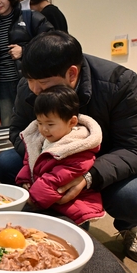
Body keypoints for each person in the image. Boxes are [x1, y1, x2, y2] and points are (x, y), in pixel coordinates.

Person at [0, 31, 137, 263]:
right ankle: (56, 216)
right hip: (51, 157)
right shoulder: (31, 83)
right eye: (29, 81)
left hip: (105, 160)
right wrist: (43, 163)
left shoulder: (121, 83)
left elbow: (136, 149)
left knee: (133, 197)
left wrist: (87, 177)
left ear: (72, 74)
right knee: (6, 163)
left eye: (41, 84)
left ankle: (130, 226)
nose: (33, 89)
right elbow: (17, 131)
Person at [15, 85, 105, 226]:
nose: (44, 129)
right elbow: (30, 161)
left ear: (72, 122)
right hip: (48, 196)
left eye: (50, 124)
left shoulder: (78, 147)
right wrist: (24, 180)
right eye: (39, 123)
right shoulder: (42, 139)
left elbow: (56, 179)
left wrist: (33, 197)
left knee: (67, 232)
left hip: (72, 202)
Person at [0, 0, 54, 126]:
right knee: (10, 127)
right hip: (2, 85)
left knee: (38, 123)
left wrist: (25, 50)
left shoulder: (31, 17)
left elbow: (51, 43)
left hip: (29, 82)